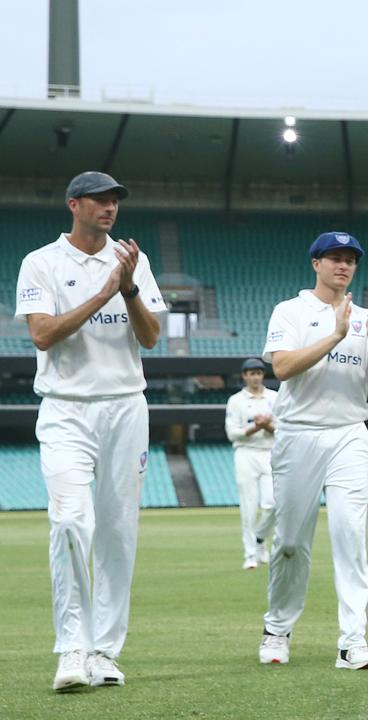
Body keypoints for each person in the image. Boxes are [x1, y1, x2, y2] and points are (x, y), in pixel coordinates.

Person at [16, 171, 167, 691]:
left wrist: (127, 290)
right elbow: (42, 334)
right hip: (66, 409)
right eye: (100, 200)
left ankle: (104, 651)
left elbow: (150, 338)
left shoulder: (134, 261)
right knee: (71, 523)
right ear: (74, 205)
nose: (110, 208)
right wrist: (105, 290)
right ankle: (71, 649)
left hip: (126, 406)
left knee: (118, 533)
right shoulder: (42, 262)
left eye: (116, 200)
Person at [257, 232, 368, 670]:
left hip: (350, 433)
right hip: (299, 433)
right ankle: (277, 629)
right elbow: (280, 367)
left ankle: (352, 641)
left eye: (350, 260)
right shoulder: (291, 310)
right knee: (291, 543)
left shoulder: (365, 317)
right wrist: (336, 335)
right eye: (335, 258)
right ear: (315, 263)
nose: (344, 265)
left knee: (350, 535)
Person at [225, 357, 278, 570]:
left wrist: (268, 426)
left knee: (273, 503)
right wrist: (255, 428)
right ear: (244, 376)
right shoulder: (236, 401)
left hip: (270, 453)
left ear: (263, 375)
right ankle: (250, 555)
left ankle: (259, 540)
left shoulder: (275, 398)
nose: (255, 377)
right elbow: (233, 433)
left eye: (258, 373)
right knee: (248, 506)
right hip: (246, 454)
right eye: (251, 373)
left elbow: (283, 428)